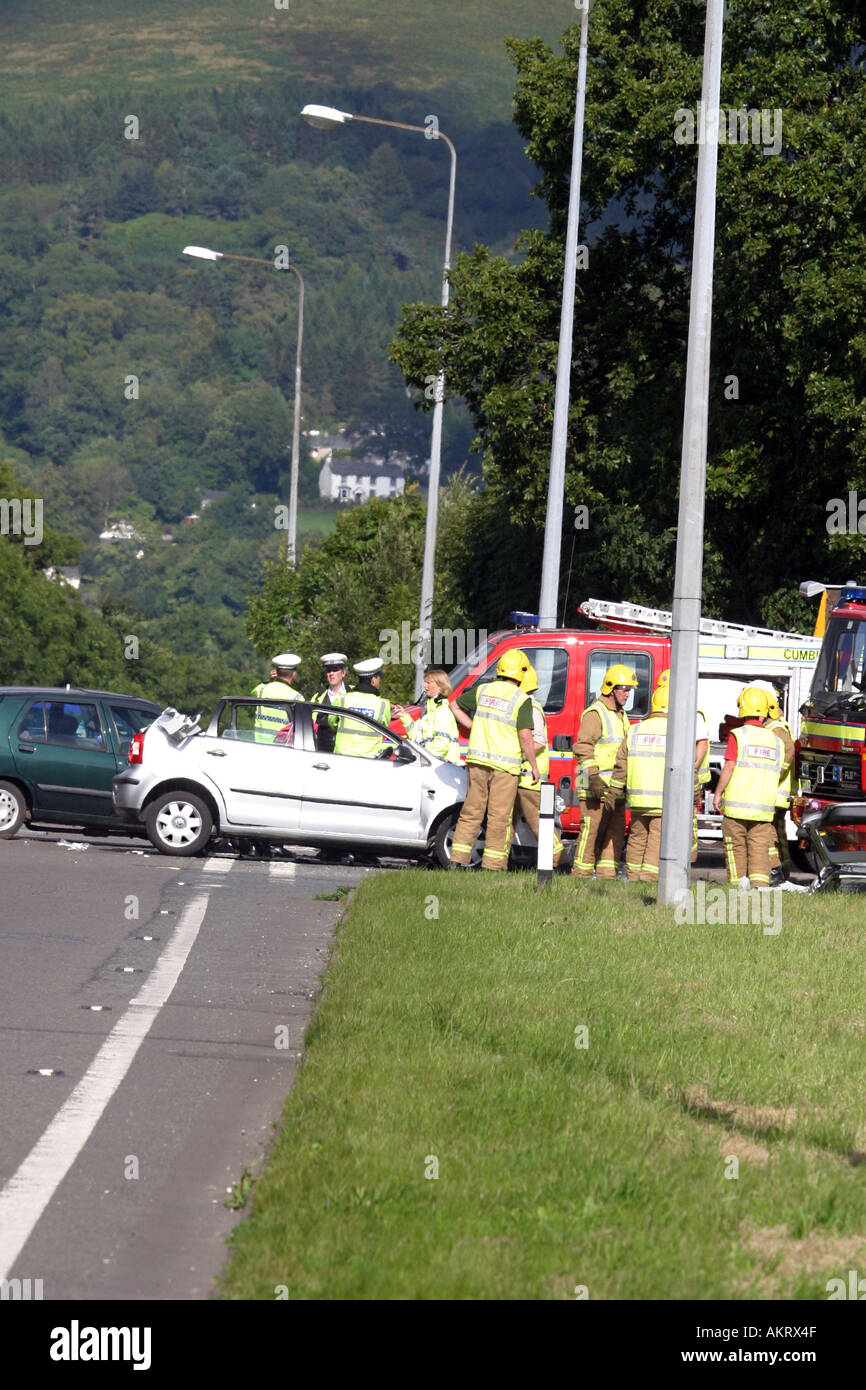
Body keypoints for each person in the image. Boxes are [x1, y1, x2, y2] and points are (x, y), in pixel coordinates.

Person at [448, 648, 539, 871]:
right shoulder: (522, 699)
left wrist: (472, 726)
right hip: (505, 768)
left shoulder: (483, 690)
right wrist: (534, 767)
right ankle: (493, 865)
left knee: (471, 812)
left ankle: (457, 860)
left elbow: (454, 705)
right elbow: (526, 736)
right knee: (499, 817)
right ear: (522, 673)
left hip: (477, 762)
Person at [713, 685, 787, 888]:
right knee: (759, 850)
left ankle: (738, 888)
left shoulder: (738, 735)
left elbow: (729, 766)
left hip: (736, 808)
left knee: (736, 848)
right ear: (764, 714)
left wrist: (718, 793)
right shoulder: (776, 741)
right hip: (763, 810)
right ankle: (759, 889)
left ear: (742, 710)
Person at [571, 664, 636, 880]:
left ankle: (607, 876)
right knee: (591, 831)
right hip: (594, 785)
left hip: (614, 787)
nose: (628, 694)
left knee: (614, 834)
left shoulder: (620, 715)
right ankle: (581, 874)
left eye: (630, 690)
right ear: (610, 688)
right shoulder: (595, 713)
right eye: (624, 689)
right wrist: (593, 777)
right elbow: (583, 747)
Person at [506, 662, 565, 868]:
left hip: (528, 778)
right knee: (506, 822)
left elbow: (538, 740)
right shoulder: (525, 705)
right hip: (520, 775)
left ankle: (560, 861)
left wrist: (515, 756)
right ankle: (498, 862)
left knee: (539, 824)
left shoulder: (530, 707)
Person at [624, 683, 668, 882]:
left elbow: (621, 764)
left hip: (637, 799)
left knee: (637, 838)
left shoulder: (635, 730)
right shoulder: (676, 733)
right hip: (662, 801)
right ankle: (648, 879)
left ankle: (632, 877)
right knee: (656, 839)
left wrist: (616, 789)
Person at [393, 668, 461, 764]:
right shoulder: (430, 710)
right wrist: (404, 716)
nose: (425, 686)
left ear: (440, 686)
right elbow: (415, 736)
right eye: (425, 682)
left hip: (438, 766)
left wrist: (427, 761)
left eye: (429, 683)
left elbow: (441, 745)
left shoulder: (442, 711)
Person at [764, 687, 796, 884]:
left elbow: (789, 750)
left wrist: (777, 774)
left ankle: (775, 873)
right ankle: (783, 872)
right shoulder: (777, 725)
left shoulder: (775, 728)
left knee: (769, 834)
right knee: (778, 834)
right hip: (777, 795)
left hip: (774, 793)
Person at [330, 658, 392, 757]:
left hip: (341, 758)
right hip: (369, 761)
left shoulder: (342, 699)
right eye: (379, 677)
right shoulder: (383, 705)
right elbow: (385, 728)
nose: (379, 681)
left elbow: (332, 722)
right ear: (373, 680)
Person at [251, 653, 303, 743]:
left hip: (259, 744)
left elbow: (252, 694)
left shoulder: (261, 689)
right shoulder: (297, 697)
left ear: (276, 672)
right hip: (282, 746)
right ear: (293, 674)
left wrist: (270, 681)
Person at [311, 652, 350, 754]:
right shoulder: (317, 697)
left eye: (335, 669)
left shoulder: (353, 694)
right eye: (328, 670)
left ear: (343, 673)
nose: (331, 673)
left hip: (346, 754)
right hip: (322, 752)